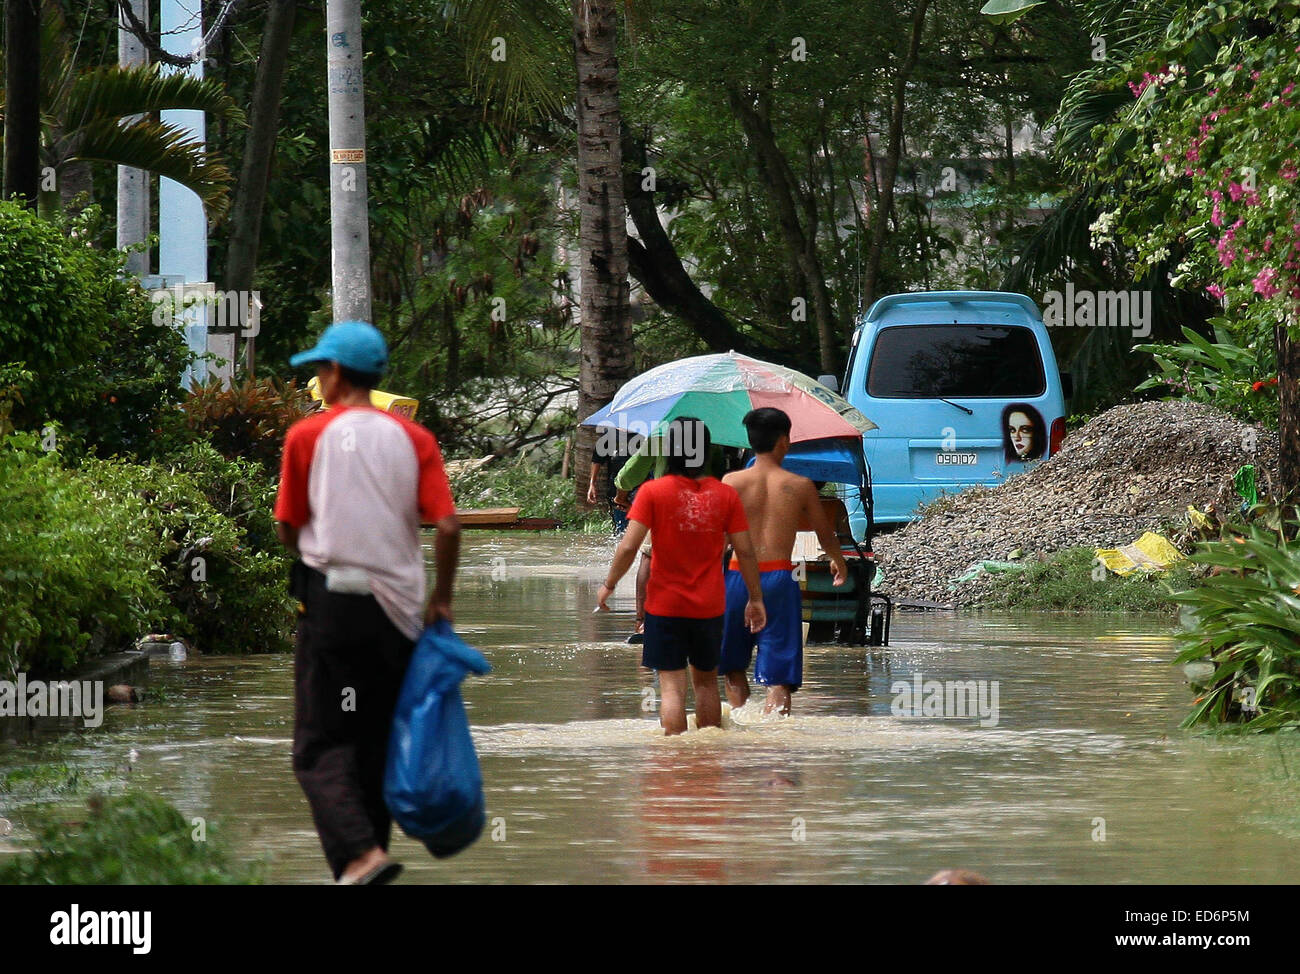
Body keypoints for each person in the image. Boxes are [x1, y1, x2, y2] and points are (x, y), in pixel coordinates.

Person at [274, 320, 460, 885]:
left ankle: (359, 856)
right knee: (375, 742)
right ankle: (368, 862)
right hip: (399, 615)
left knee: (319, 744)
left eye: (320, 369)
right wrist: (442, 601)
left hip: (333, 604)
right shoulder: (414, 438)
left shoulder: (307, 436)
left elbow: (288, 525)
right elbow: (447, 526)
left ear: (334, 374)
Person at [595, 417, 766, 736]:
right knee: (705, 684)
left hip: (664, 607)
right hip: (710, 608)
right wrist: (755, 599)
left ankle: (675, 758)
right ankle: (708, 757)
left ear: (670, 450)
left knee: (672, 687)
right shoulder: (726, 495)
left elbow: (629, 546)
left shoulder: (652, 492)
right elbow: (746, 552)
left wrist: (609, 585)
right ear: (704, 451)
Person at [720, 408, 847, 716]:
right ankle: (775, 742)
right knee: (778, 676)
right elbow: (825, 533)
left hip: (736, 578)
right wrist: (838, 561)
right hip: (779, 578)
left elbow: (719, 538)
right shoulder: (800, 485)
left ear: (750, 442)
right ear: (785, 442)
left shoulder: (731, 481)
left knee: (732, 666)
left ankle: (739, 727)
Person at [611, 433, 730, 640]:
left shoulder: (660, 437)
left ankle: (644, 622)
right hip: (705, 509)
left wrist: (621, 496)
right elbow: (719, 475)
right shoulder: (712, 438)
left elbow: (631, 473)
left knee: (649, 556)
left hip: (665, 505)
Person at [587, 431, 644, 534]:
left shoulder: (645, 434)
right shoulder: (609, 436)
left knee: (640, 526)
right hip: (616, 491)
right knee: (621, 529)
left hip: (641, 489)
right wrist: (592, 484)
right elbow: (597, 460)